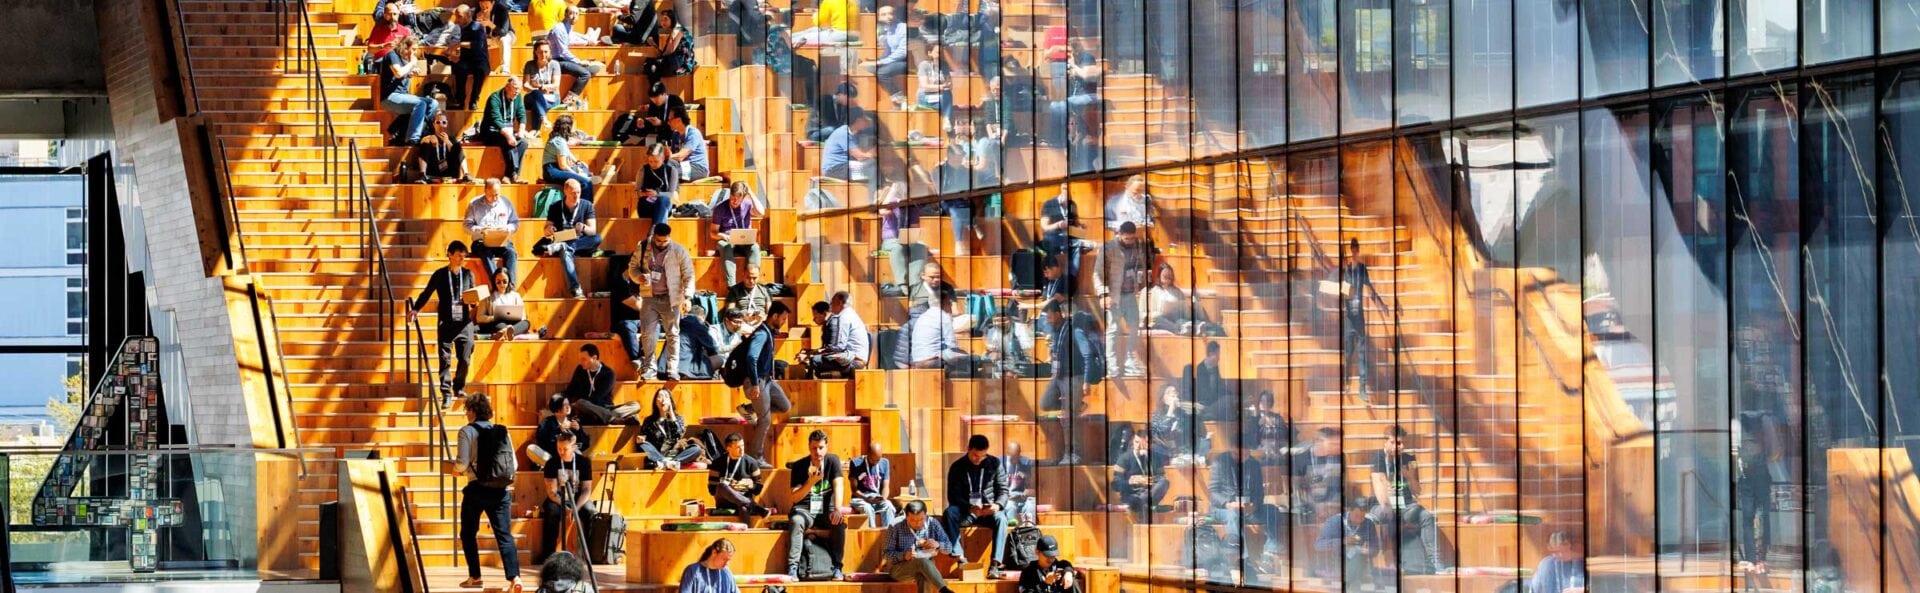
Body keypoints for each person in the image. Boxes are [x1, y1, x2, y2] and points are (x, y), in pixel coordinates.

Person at [452, 393, 523, 591]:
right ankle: (515, 578)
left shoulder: (466, 431)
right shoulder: (502, 431)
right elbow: (514, 464)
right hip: (501, 490)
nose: (466, 413)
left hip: (476, 489)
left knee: (467, 533)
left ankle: (475, 576)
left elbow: (462, 463)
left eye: (467, 409)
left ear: (473, 411)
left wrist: (455, 470)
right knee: (504, 535)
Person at [409, 241, 479, 407]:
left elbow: (473, 297)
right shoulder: (440, 274)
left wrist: (475, 302)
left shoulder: (468, 274)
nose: (462, 258)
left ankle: (459, 386)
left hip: (464, 322)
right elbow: (427, 292)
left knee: (465, 358)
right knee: (444, 359)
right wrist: (415, 309)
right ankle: (446, 392)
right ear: (450, 255)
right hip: (446, 321)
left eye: (464, 255)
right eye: (459, 255)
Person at [624, 223, 695, 381]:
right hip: (649, 296)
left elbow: (688, 274)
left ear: (670, 237)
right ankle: (649, 367)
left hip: (671, 298)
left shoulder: (679, 251)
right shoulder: (643, 247)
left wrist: (688, 297)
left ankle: (672, 369)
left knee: (673, 334)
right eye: (658, 241)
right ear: (653, 237)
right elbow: (632, 268)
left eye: (664, 241)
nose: (661, 244)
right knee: (647, 333)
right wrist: (638, 277)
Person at [1370, 425, 1444, 574]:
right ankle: (1382, 564)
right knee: (1376, 517)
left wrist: (1410, 477)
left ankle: (1433, 561)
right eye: (1395, 442)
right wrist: (1388, 498)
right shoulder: (1378, 457)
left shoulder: (1409, 459)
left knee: (1427, 517)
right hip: (1384, 506)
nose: (1400, 446)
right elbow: (1382, 496)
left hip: (1407, 505)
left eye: (1402, 443)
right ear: (1386, 442)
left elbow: (1417, 491)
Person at [1208, 425, 1287, 567]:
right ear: (1232, 448)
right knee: (1233, 515)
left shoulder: (1254, 464)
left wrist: (1254, 505)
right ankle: (1241, 558)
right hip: (1224, 508)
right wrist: (1228, 504)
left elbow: (1259, 492)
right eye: (1238, 454)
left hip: (1248, 508)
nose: (1242, 457)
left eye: (1245, 454)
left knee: (1272, 511)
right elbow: (1213, 492)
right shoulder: (1220, 462)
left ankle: (1270, 551)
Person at [1039, 299, 1099, 465]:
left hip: (1074, 377)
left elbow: (1086, 355)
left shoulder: (1074, 331)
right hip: (1058, 376)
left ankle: (1073, 454)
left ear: (1058, 314)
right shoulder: (1055, 331)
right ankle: (1076, 405)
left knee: (1068, 419)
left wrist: (1086, 381)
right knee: (1045, 403)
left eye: (1050, 317)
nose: (1048, 320)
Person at [943, 434, 1011, 579]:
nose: (978, 459)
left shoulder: (995, 464)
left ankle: (995, 564)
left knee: (1002, 518)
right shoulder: (957, 467)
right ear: (968, 449)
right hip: (966, 511)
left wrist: (997, 505)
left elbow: (1003, 490)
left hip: (988, 511)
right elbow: (953, 496)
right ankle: (959, 556)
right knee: (950, 513)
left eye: (982, 456)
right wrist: (969, 507)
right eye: (975, 455)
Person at [784, 430, 848, 580]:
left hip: (826, 510)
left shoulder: (833, 461)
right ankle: (793, 567)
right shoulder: (799, 466)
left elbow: (839, 484)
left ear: (826, 447)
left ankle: (837, 567)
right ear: (809, 447)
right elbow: (795, 497)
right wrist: (811, 481)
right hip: (804, 509)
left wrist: (838, 509)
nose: (817, 452)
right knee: (796, 521)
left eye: (821, 447)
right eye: (814, 448)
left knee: (839, 523)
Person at [1095, 221, 1156, 378]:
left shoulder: (1137, 246)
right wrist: (1103, 294)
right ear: (1120, 234)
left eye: (1132, 238)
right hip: (1114, 294)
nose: (1130, 241)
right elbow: (1097, 274)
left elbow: (1141, 265)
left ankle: (1129, 360)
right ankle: (1112, 365)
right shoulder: (1108, 248)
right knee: (1113, 329)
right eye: (1127, 238)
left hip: (1130, 293)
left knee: (1135, 325)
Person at [736, 302, 794, 463]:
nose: (784, 322)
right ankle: (756, 457)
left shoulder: (769, 332)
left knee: (784, 406)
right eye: (782, 318)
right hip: (757, 381)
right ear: (774, 316)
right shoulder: (761, 334)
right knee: (765, 419)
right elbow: (751, 357)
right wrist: (754, 383)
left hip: (767, 380)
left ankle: (748, 409)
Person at [537, 430, 596, 564]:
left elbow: (586, 490)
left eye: (565, 449)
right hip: (558, 499)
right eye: (559, 448)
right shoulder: (551, 463)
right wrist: (564, 506)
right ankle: (549, 554)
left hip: (577, 499)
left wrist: (576, 508)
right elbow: (551, 492)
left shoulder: (584, 462)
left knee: (590, 511)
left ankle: (588, 554)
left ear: (574, 447)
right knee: (551, 511)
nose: (561, 452)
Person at [884, 501, 961, 593]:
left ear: (926, 515)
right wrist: (904, 555)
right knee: (922, 562)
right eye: (913, 520)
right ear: (906, 516)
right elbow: (886, 554)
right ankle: (944, 590)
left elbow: (949, 548)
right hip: (901, 568)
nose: (917, 523)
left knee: (924, 574)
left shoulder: (933, 523)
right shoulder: (895, 526)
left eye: (921, 519)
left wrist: (938, 544)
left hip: (928, 567)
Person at [542, 179, 601, 298]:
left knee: (597, 238)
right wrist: (550, 229)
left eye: (578, 192)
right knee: (565, 250)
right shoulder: (555, 206)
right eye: (573, 193)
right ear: (565, 191)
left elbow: (592, 230)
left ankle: (564, 246)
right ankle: (575, 289)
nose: (576, 196)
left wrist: (583, 227)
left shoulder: (587, 205)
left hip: (580, 242)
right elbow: (546, 230)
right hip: (562, 238)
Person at [379, 36, 438, 146]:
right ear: (405, 47)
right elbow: (398, 73)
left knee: (433, 103)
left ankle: (402, 131)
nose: (415, 52)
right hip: (390, 97)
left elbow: (401, 75)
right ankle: (413, 138)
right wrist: (411, 64)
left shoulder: (404, 60)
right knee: (421, 103)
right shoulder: (393, 55)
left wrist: (410, 74)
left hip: (402, 96)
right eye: (414, 49)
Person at [1314, 497, 1380, 585]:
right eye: (1356, 515)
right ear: (1349, 511)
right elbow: (1318, 545)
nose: (1359, 519)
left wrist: (1368, 551)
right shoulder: (1334, 522)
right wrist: (1342, 542)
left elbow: (1376, 549)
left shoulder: (1368, 524)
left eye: (1362, 516)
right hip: (1338, 569)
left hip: (1361, 570)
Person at [464, 178, 520, 283]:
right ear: (485, 191)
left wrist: (507, 228)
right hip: (481, 242)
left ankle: (510, 287)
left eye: (497, 195)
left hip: (501, 241)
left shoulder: (506, 203)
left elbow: (515, 223)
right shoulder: (474, 204)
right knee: (485, 252)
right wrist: (480, 230)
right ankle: (497, 284)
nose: (494, 198)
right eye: (491, 195)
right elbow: (466, 226)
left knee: (511, 252)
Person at [898, 290, 970, 370]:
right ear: (943, 303)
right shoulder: (944, 317)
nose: (951, 305)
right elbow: (952, 347)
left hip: (917, 362)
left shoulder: (923, 316)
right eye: (949, 302)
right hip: (933, 362)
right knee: (971, 360)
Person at [708, 433, 772, 523]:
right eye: (738, 447)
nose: (742, 449)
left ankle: (746, 533)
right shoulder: (717, 463)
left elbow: (758, 489)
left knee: (744, 508)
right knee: (722, 486)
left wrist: (749, 485)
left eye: (742, 446)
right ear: (728, 448)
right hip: (724, 501)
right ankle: (756, 507)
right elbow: (712, 489)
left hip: (743, 498)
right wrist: (730, 486)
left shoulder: (752, 462)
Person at [1341, 238, 1376, 401]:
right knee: (1348, 353)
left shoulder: (1362, 269)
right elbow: (1341, 292)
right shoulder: (1346, 270)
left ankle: (1362, 387)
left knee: (1362, 354)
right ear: (1350, 250)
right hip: (1349, 318)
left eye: (1356, 249)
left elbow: (1370, 288)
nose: (1354, 252)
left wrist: (1380, 302)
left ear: (1358, 250)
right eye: (1352, 249)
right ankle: (1347, 381)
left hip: (1359, 317)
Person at [803, 291, 869, 378]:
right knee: (814, 359)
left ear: (840, 303)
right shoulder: (850, 314)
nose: (830, 306)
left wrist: (811, 354)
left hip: (853, 361)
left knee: (813, 361)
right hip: (854, 358)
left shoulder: (842, 317)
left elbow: (837, 347)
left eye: (832, 303)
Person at [479, 77, 531, 183]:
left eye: (519, 89)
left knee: (523, 143)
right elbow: (496, 119)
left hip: (509, 131)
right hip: (491, 131)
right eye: (515, 88)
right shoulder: (495, 98)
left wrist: (521, 130)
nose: (517, 92)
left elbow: (521, 113)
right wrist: (508, 136)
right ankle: (513, 175)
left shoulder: (517, 96)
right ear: (507, 87)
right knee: (507, 142)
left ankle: (511, 175)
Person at [876, 180, 926, 291]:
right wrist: (893, 190)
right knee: (898, 247)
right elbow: (882, 210)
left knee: (920, 247)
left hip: (906, 239)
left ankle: (915, 282)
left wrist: (914, 238)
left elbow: (914, 227)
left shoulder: (912, 207)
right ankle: (902, 283)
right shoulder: (892, 203)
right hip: (891, 241)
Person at [564, 344, 631, 425]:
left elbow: (598, 396)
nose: (581, 362)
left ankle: (608, 417)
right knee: (581, 403)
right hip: (586, 409)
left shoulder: (609, 373)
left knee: (635, 405)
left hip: (605, 407)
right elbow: (571, 389)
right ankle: (614, 418)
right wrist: (560, 399)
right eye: (580, 359)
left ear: (594, 358)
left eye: (584, 359)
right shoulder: (580, 370)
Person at [639, 388, 704, 469]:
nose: (663, 399)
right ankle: (667, 463)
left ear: (670, 401)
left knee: (696, 449)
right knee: (644, 445)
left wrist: (671, 413)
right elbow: (643, 438)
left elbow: (679, 434)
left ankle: (666, 464)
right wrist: (640, 439)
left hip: (675, 453)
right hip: (657, 454)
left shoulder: (678, 418)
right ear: (655, 402)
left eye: (666, 396)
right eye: (660, 396)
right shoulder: (649, 420)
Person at [711, 181, 761, 287]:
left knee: (755, 247)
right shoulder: (720, 208)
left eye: (738, 200)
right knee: (725, 247)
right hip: (727, 239)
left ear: (743, 198)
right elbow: (712, 233)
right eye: (732, 198)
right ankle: (732, 287)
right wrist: (723, 236)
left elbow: (761, 212)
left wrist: (751, 193)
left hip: (745, 240)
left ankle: (752, 282)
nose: (734, 202)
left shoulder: (747, 204)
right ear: (730, 195)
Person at [1112, 431, 1168, 523]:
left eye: (1142, 444)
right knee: (1144, 502)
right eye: (1136, 442)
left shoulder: (1155, 458)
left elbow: (1161, 477)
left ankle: (1144, 502)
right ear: (1132, 442)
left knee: (1164, 482)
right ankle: (1144, 504)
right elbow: (1115, 485)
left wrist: (1150, 480)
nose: (1138, 446)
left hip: (1149, 493)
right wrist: (1131, 482)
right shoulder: (1124, 458)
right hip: (1132, 496)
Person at [548, 7, 598, 108]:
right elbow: (564, 52)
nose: (574, 16)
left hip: (562, 60)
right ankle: (567, 101)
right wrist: (579, 61)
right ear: (565, 15)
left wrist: (587, 40)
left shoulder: (567, 27)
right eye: (571, 13)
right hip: (554, 62)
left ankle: (587, 66)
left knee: (588, 68)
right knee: (585, 74)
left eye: (576, 14)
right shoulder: (559, 29)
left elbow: (573, 36)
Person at [861, 6, 910, 108]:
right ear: (879, 17)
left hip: (904, 61)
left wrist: (882, 62)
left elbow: (902, 52)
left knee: (882, 72)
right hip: (893, 60)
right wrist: (878, 60)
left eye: (891, 13)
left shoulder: (903, 28)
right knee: (868, 68)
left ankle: (899, 97)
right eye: (884, 14)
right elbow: (888, 51)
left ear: (895, 15)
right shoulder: (887, 29)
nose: (888, 17)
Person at [1038, 189, 1088, 285]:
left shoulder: (1072, 204)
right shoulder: (1049, 204)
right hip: (1052, 238)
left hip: (1069, 237)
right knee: (1076, 244)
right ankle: (1070, 278)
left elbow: (1076, 223)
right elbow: (1045, 227)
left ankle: (1071, 277)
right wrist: (1059, 225)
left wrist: (1080, 226)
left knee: (1079, 246)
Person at [543, 115, 597, 203]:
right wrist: (577, 174)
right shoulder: (559, 141)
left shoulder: (560, 140)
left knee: (582, 169)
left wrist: (578, 163)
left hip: (554, 168)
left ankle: (585, 175)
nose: (574, 128)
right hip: (552, 171)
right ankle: (585, 211)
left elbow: (568, 153)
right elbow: (563, 165)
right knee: (586, 183)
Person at [1295, 427, 1345, 522]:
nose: (1338, 447)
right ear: (1319, 441)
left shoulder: (1339, 457)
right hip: (1307, 507)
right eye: (1333, 444)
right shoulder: (1299, 459)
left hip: (1332, 507)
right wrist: (1316, 506)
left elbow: (1338, 488)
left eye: (1339, 444)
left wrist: (1331, 505)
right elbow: (1297, 491)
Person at [448, 5, 492, 110]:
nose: (457, 19)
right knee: (459, 67)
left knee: (480, 69)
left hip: (480, 60)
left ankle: (474, 100)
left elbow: (478, 44)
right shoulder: (461, 28)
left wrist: (459, 44)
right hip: (467, 61)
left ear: (468, 15)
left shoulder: (477, 26)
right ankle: (460, 100)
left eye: (460, 16)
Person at [848, 442, 896, 528]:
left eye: (878, 460)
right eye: (872, 460)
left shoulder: (885, 463)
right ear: (867, 454)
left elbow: (886, 487)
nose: (875, 462)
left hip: (876, 498)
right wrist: (866, 498)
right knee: (867, 508)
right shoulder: (855, 463)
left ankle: (890, 534)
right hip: (860, 498)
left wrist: (883, 498)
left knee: (889, 506)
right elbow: (854, 490)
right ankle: (872, 533)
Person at [413, 114, 472, 183]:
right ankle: (422, 175)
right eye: (438, 122)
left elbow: (455, 154)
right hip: (433, 173)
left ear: (446, 124)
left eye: (443, 122)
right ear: (434, 124)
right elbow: (420, 142)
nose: (441, 125)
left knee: (457, 146)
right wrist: (428, 138)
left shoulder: (452, 139)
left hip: (450, 173)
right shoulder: (429, 137)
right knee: (425, 144)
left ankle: (466, 174)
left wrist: (447, 142)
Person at [532, 393, 589, 465]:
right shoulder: (546, 423)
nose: (568, 407)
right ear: (556, 408)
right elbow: (542, 444)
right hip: (552, 456)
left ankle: (561, 465)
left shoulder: (574, 422)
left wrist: (579, 431)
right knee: (531, 448)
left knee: (577, 454)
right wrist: (560, 430)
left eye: (568, 404)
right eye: (564, 405)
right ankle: (553, 465)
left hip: (571, 455)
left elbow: (585, 444)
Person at [1180, 341, 1231, 421]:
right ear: (1211, 354)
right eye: (1218, 355)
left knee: (1229, 401)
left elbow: (1221, 391)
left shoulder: (1216, 370)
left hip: (1212, 407)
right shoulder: (1191, 369)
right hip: (1198, 406)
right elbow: (1187, 393)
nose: (1219, 358)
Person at [476, 270, 532, 340]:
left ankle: (506, 332)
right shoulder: (487, 297)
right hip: (497, 323)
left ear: (508, 281)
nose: (502, 285)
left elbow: (523, 316)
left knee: (526, 323)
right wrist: (493, 318)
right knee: (499, 324)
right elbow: (479, 317)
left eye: (504, 281)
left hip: (513, 324)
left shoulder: (516, 296)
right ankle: (508, 333)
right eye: (498, 282)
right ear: (494, 282)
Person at [643, 10, 698, 78]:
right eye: (661, 20)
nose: (663, 22)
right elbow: (666, 53)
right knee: (649, 64)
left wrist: (658, 59)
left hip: (682, 64)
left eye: (666, 19)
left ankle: (657, 87)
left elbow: (670, 51)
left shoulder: (677, 29)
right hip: (676, 61)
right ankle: (656, 86)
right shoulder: (675, 30)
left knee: (651, 65)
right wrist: (654, 45)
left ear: (672, 18)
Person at [522, 43, 564, 133]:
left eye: (546, 51)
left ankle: (535, 130)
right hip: (533, 95)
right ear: (535, 52)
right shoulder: (529, 64)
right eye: (540, 52)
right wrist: (537, 90)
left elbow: (556, 85)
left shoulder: (555, 64)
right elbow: (525, 85)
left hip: (551, 97)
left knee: (536, 104)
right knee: (536, 95)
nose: (543, 54)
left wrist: (544, 87)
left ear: (549, 52)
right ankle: (544, 119)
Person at [635, 143, 678, 229]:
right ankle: (657, 232)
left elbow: (671, 194)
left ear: (662, 158)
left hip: (664, 204)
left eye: (656, 161)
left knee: (663, 200)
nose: (653, 164)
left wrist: (656, 194)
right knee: (658, 207)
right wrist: (643, 194)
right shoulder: (643, 170)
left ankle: (655, 231)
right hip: (647, 204)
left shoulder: (671, 170)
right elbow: (637, 192)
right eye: (650, 161)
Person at [821, 113, 875, 180]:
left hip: (844, 166)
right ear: (858, 120)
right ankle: (877, 190)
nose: (867, 125)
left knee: (874, 166)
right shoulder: (843, 133)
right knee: (873, 169)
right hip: (835, 169)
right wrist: (873, 153)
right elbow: (860, 156)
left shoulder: (854, 133)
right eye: (866, 121)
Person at [672, 305, 721, 379]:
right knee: (719, 359)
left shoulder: (676, 322)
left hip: (666, 367)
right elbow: (713, 349)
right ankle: (688, 375)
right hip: (683, 369)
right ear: (703, 317)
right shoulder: (699, 325)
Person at [666, 110, 710, 181]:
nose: (668, 122)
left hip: (698, 168)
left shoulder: (693, 133)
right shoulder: (675, 135)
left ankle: (673, 191)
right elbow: (673, 156)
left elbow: (680, 156)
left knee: (670, 173)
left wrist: (663, 157)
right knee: (663, 166)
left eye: (670, 119)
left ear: (679, 120)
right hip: (683, 166)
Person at [791, 0, 856, 46]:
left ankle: (788, 38)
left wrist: (816, 14)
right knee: (812, 30)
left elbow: (817, 21)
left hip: (840, 34)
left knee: (802, 37)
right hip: (853, 34)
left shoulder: (829, 1)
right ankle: (791, 36)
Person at [1002, 442, 1038, 524]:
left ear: (1019, 453)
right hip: (1008, 498)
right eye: (1012, 456)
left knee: (1031, 504)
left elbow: (1034, 488)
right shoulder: (1000, 464)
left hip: (1022, 497)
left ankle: (1028, 526)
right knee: (1010, 506)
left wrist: (1027, 478)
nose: (1015, 459)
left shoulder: (1026, 463)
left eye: (1017, 455)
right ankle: (1011, 529)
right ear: (1007, 454)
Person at [477, 0, 513, 77]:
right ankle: (482, 68)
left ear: (493, 3)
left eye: (486, 6)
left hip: (505, 35)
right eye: (482, 6)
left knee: (504, 39)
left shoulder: (502, 9)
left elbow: (504, 32)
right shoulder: (478, 11)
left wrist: (490, 24)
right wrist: (477, 23)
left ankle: (505, 69)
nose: (484, 8)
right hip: (488, 38)